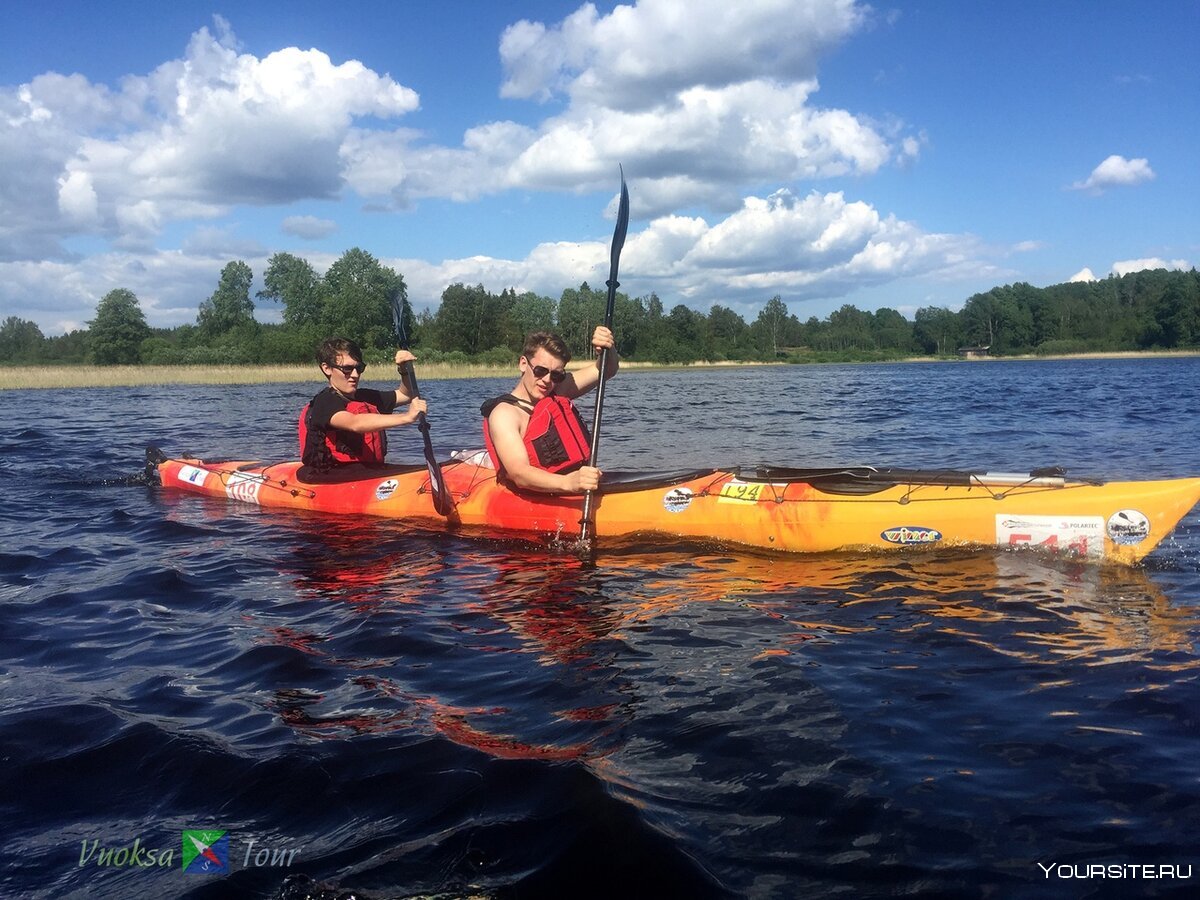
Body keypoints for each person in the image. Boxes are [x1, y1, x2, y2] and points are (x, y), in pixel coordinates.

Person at [481, 326, 619, 493]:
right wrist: (568, 482)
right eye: (540, 370)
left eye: (556, 375)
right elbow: (519, 473)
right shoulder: (505, 414)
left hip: (575, 486)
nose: (547, 380)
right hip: (536, 493)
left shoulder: (558, 390)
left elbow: (606, 369)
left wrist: (607, 347)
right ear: (523, 364)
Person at [299, 337, 428, 474]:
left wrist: (404, 368)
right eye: (347, 369)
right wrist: (407, 417)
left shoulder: (365, 398)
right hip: (330, 476)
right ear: (327, 368)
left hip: (367, 473)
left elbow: (406, 395)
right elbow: (354, 423)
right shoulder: (325, 401)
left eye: (359, 368)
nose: (355, 375)